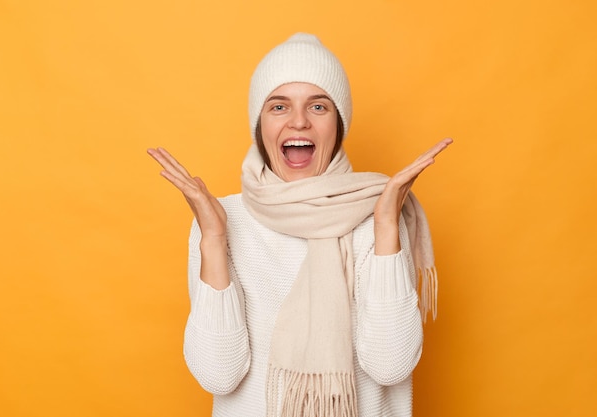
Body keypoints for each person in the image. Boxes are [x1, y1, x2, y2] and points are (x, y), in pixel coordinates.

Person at [148, 33, 452, 417]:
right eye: (279, 106)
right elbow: (218, 375)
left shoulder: (377, 217)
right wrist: (213, 240)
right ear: (259, 124)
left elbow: (390, 364)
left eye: (318, 107)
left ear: (338, 124)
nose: (298, 121)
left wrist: (387, 225)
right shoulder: (221, 220)